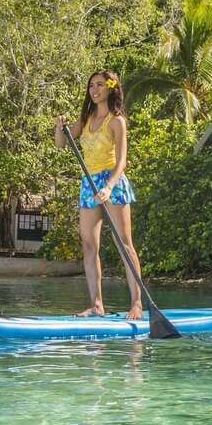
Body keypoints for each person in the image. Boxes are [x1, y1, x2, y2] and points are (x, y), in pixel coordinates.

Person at [54, 69, 143, 321]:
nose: (94, 89)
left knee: (124, 244)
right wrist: (59, 128)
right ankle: (96, 305)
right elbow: (61, 143)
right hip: (88, 183)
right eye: (91, 85)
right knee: (88, 244)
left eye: (100, 85)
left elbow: (122, 161)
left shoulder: (116, 121)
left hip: (112, 182)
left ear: (111, 88)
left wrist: (109, 186)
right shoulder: (85, 118)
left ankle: (136, 304)